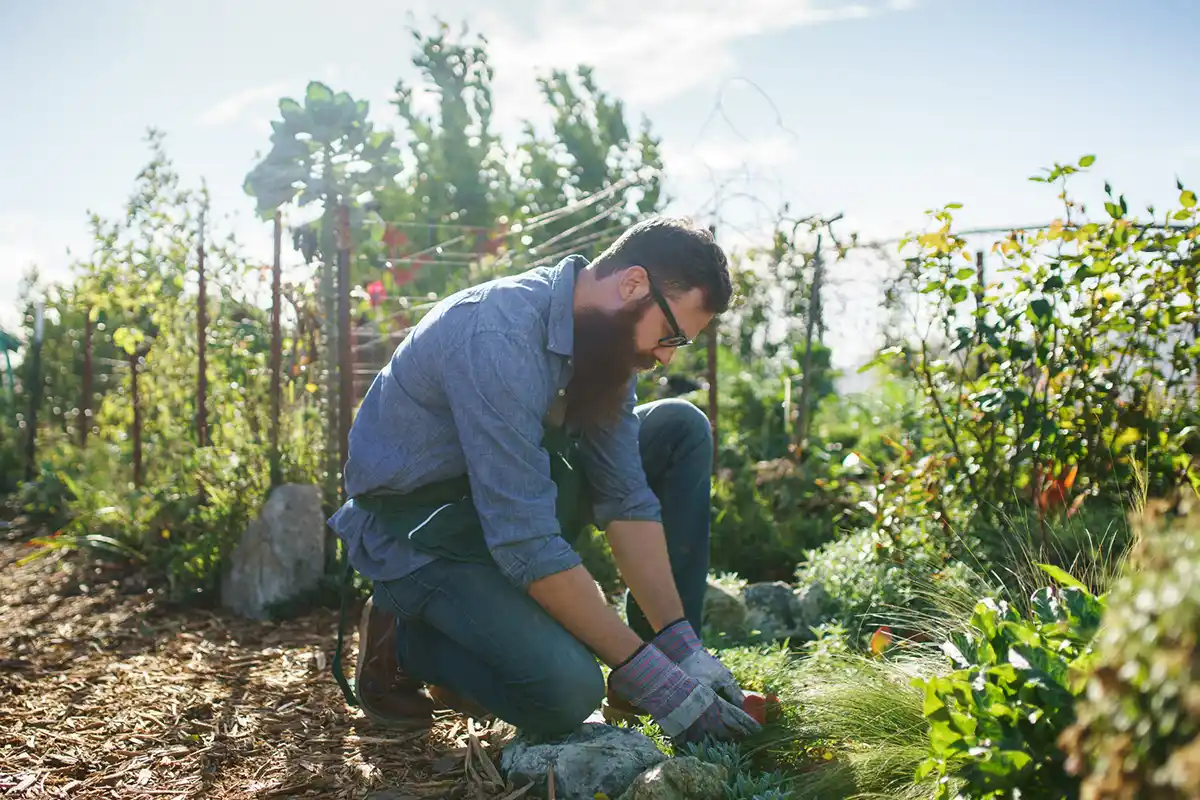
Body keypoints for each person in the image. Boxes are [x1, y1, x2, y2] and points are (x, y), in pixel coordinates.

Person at [330, 216, 761, 744]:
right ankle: (406, 640)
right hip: (424, 531)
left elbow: (624, 493)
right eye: (670, 335)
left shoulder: (605, 345)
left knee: (678, 428)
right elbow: (525, 539)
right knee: (567, 693)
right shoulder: (498, 333)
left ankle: (653, 672)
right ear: (632, 285)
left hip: (510, 501)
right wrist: (657, 684)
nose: (667, 356)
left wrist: (680, 648)